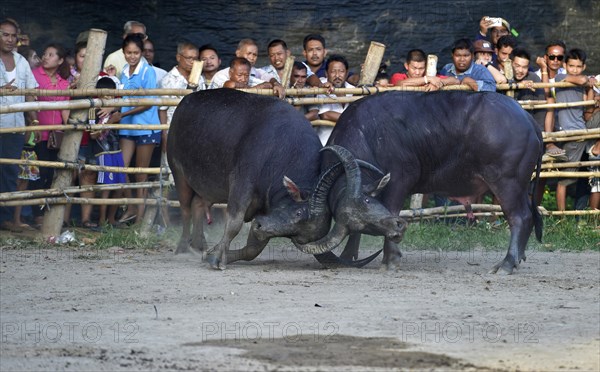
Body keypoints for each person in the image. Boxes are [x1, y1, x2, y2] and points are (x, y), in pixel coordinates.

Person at [107, 33, 160, 224]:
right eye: (128, 52)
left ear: (141, 53)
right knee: (121, 169)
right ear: (123, 52)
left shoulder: (148, 72)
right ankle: (131, 206)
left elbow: (148, 103)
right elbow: (123, 98)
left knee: (141, 173)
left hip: (145, 126)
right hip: (128, 127)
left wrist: (121, 114)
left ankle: (140, 218)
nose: (132, 56)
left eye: (136, 53)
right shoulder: (124, 70)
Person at [0, 19, 38, 232]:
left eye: (13, 35)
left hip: (15, 126)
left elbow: (30, 93)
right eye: (5, 34)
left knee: (10, 171)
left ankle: (5, 218)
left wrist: (33, 121)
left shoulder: (21, 61)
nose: (10, 39)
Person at [30, 43, 71, 227]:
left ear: (60, 60)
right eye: (45, 53)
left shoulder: (64, 83)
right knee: (39, 173)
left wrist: (69, 128)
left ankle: (48, 214)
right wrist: (35, 125)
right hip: (39, 133)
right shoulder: (34, 75)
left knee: (52, 175)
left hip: (57, 135)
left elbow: (65, 111)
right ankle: (37, 215)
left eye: (51, 54)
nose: (45, 57)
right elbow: (29, 100)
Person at [553, 49, 599, 211]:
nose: (574, 69)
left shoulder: (582, 86)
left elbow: (589, 102)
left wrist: (591, 87)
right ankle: (562, 215)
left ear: (584, 66)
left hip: (581, 130)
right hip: (571, 132)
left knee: (578, 175)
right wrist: (588, 80)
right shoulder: (560, 77)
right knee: (564, 179)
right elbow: (580, 80)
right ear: (565, 65)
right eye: (571, 66)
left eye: (578, 66)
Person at [91, 77, 127, 226]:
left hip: (116, 149)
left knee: (120, 185)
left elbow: (126, 103)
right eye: (105, 94)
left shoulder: (116, 107)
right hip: (102, 151)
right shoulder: (93, 110)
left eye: (111, 95)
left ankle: (111, 218)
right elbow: (93, 135)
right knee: (106, 187)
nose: (108, 98)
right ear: (98, 94)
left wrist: (113, 113)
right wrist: (111, 121)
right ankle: (101, 220)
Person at [159, 42, 199, 143]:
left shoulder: (200, 78)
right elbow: (162, 110)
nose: (192, 62)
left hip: (196, 130)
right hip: (173, 129)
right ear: (178, 57)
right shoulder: (168, 80)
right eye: (188, 58)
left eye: (195, 58)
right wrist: (164, 135)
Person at [314, 55, 354, 144]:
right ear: (326, 73)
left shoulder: (353, 89)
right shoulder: (322, 86)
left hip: (348, 142)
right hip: (325, 142)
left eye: (341, 72)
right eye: (333, 72)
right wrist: (353, 119)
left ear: (347, 73)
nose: (337, 75)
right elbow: (325, 115)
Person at [390, 49, 459, 90]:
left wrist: (439, 83)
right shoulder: (398, 76)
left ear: (425, 67)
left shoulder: (431, 78)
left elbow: (456, 81)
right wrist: (426, 79)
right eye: (414, 68)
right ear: (406, 66)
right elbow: (400, 84)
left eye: (421, 68)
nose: (417, 72)